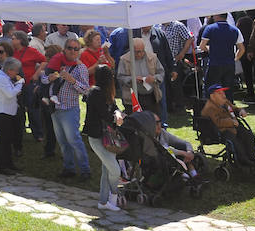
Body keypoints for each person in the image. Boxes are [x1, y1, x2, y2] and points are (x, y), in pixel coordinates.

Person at [42, 38, 91, 179]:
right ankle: (69, 168)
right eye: (70, 48)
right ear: (64, 49)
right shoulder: (57, 62)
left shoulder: (81, 68)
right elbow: (44, 79)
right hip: (55, 108)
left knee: (74, 140)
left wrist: (72, 80)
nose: (73, 51)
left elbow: (86, 90)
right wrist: (49, 78)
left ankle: (85, 169)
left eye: (76, 49)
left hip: (69, 109)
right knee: (62, 141)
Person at [83, 65, 124, 211]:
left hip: (107, 137)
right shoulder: (95, 93)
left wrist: (118, 113)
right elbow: (105, 115)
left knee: (107, 170)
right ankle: (113, 196)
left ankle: (103, 202)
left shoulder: (106, 92)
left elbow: (114, 107)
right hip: (97, 137)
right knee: (114, 170)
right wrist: (116, 117)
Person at [201, 84, 255, 165]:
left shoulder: (225, 102)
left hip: (234, 127)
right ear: (212, 96)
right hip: (221, 131)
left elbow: (234, 108)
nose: (223, 95)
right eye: (220, 93)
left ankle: (252, 156)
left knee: (248, 135)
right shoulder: (210, 108)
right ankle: (243, 160)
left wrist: (240, 110)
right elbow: (217, 122)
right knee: (235, 141)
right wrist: (231, 122)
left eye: (223, 92)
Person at [199, 14, 244, 102]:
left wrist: (209, 49)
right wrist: (235, 59)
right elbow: (242, 49)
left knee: (211, 89)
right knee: (228, 90)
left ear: (217, 16)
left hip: (214, 63)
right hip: (229, 64)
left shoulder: (210, 28)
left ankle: (211, 111)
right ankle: (229, 111)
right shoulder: (235, 30)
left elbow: (202, 46)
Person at [11, 30, 46, 142]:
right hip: (16, 85)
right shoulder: (12, 52)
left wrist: (37, 73)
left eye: (13, 38)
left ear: (20, 40)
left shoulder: (31, 51)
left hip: (29, 83)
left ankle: (38, 133)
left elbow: (44, 61)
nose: (12, 40)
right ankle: (20, 131)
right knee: (19, 109)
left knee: (33, 109)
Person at [0, 58, 24, 174]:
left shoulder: (5, 77)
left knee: (8, 140)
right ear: (9, 70)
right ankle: (3, 166)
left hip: (8, 112)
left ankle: (9, 163)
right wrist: (20, 83)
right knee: (3, 142)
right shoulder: (1, 78)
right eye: (16, 70)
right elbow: (10, 94)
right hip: (2, 113)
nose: (17, 73)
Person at [117, 38, 164, 115]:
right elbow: (120, 77)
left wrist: (154, 78)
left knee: (152, 121)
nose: (140, 54)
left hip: (151, 96)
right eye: (137, 52)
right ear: (131, 50)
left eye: (142, 51)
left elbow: (161, 73)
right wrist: (132, 79)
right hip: (133, 98)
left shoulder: (152, 57)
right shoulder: (124, 60)